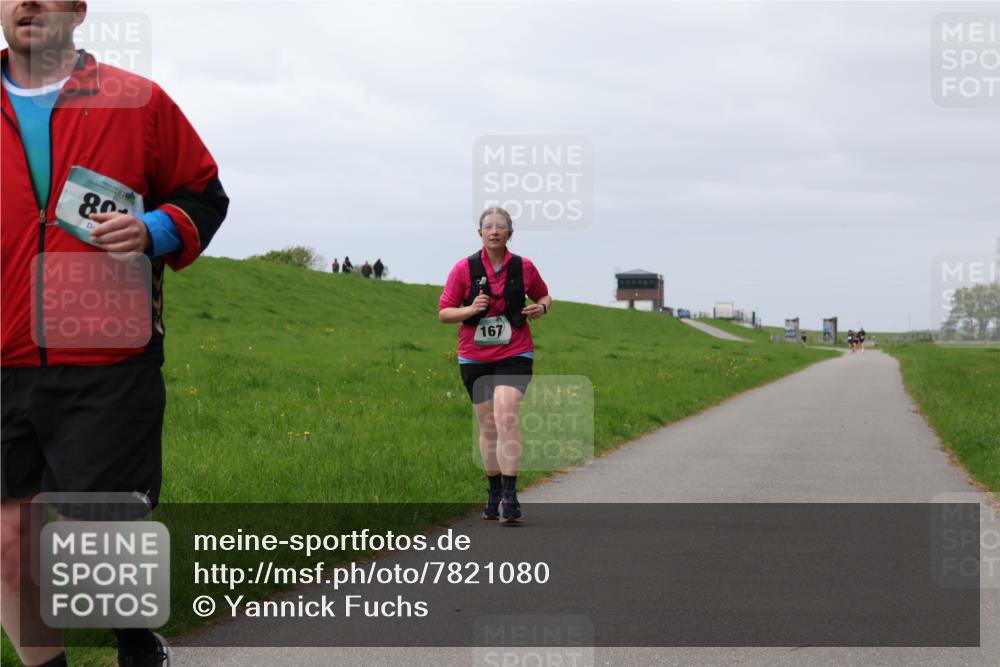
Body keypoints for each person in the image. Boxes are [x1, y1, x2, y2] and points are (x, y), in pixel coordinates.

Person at [1, 3, 228, 666]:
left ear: (78, 10)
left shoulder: (139, 101)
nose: (27, 4)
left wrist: (157, 230)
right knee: (12, 547)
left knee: (98, 534)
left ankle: (136, 641)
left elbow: (204, 193)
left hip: (105, 357)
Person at [438, 207, 552, 525]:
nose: (494, 231)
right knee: (488, 426)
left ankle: (511, 495)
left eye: (500, 226)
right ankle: (493, 489)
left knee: (506, 414)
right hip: (474, 356)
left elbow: (545, 296)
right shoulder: (464, 268)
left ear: (509, 233)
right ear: (480, 234)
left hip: (515, 351)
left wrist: (541, 308)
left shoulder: (524, 266)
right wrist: (470, 308)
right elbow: (444, 312)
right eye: (488, 226)